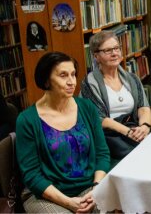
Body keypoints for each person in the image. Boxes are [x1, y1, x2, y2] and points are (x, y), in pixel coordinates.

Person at [15, 52, 110, 213]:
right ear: (46, 80)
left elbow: (102, 154)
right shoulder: (27, 120)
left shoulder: (87, 108)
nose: (71, 82)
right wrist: (68, 203)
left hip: (90, 187)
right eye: (63, 75)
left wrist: (97, 188)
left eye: (73, 74)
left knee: (117, 206)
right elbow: (31, 175)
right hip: (45, 194)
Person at [81, 30, 151, 160]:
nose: (114, 53)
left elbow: (143, 107)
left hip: (134, 130)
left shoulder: (132, 78)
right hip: (109, 136)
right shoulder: (89, 83)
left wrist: (144, 127)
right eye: (108, 50)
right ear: (96, 56)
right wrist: (128, 132)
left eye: (116, 48)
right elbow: (99, 118)